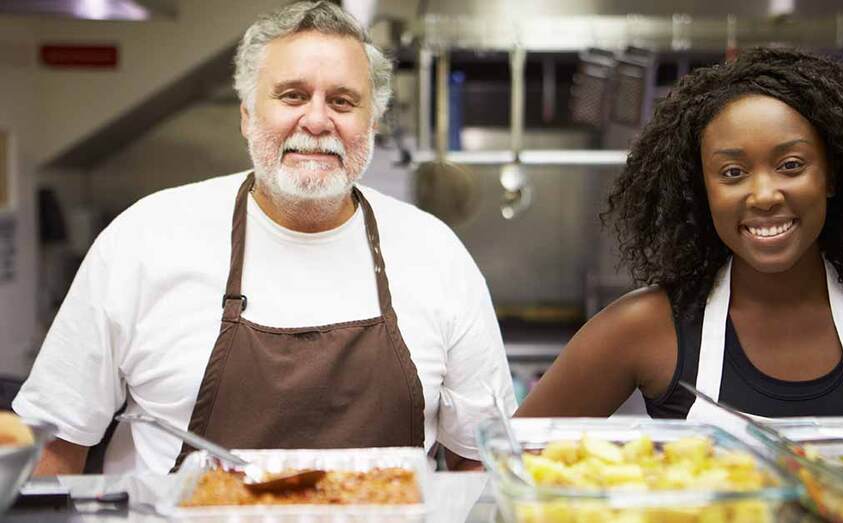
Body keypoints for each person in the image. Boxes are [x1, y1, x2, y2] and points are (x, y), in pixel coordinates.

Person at [14, 0, 515, 475]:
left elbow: (481, 460)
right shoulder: (144, 240)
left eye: (343, 101)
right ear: (247, 116)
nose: (317, 121)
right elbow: (54, 444)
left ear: (372, 124)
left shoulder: (437, 254)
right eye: (292, 95)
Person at [517, 48, 843, 422]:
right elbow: (512, 465)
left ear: (831, 177)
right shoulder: (641, 328)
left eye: (791, 165)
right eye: (732, 172)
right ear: (700, 191)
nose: (764, 194)